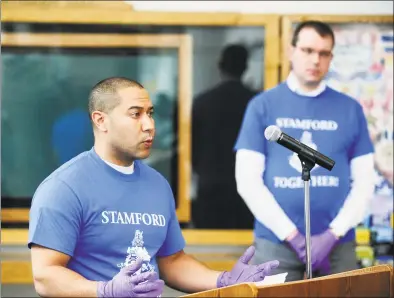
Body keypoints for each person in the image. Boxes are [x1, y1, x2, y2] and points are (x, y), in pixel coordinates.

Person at [28, 77, 279, 297]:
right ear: (101, 120)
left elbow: (172, 261)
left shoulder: (157, 185)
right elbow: (45, 276)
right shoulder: (64, 187)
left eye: (150, 113)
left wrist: (223, 281)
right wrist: (104, 291)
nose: (149, 125)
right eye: (135, 114)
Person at [234, 21, 376, 281]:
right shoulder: (262, 106)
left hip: (338, 245)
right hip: (276, 244)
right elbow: (248, 182)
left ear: (331, 57)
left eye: (323, 53)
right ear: (291, 51)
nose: (315, 60)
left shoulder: (350, 109)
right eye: (307, 50)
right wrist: (294, 237)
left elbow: (365, 182)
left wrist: (333, 234)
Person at [192, 44, 256, 229]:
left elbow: (192, 147)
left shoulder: (202, 102)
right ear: (245, 67)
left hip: (211, 188)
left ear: (220, 66)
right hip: (247, 191)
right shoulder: (255, 104)